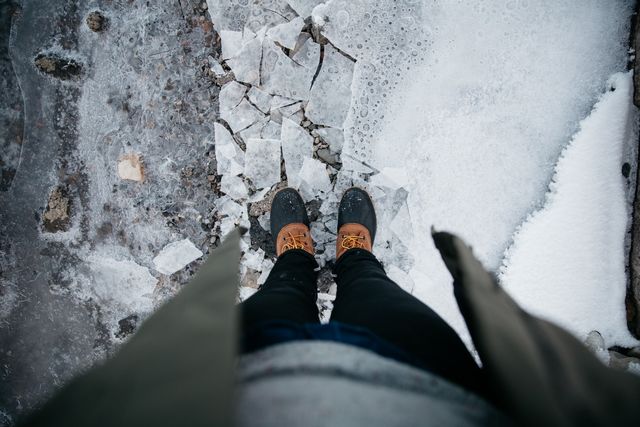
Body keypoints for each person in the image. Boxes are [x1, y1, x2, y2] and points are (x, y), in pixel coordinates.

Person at [19, 188, 640, 427]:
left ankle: (298, 259)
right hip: (426, 373)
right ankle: (353, 257)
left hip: (247, 363)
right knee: (372, 292)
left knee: (282, 291)